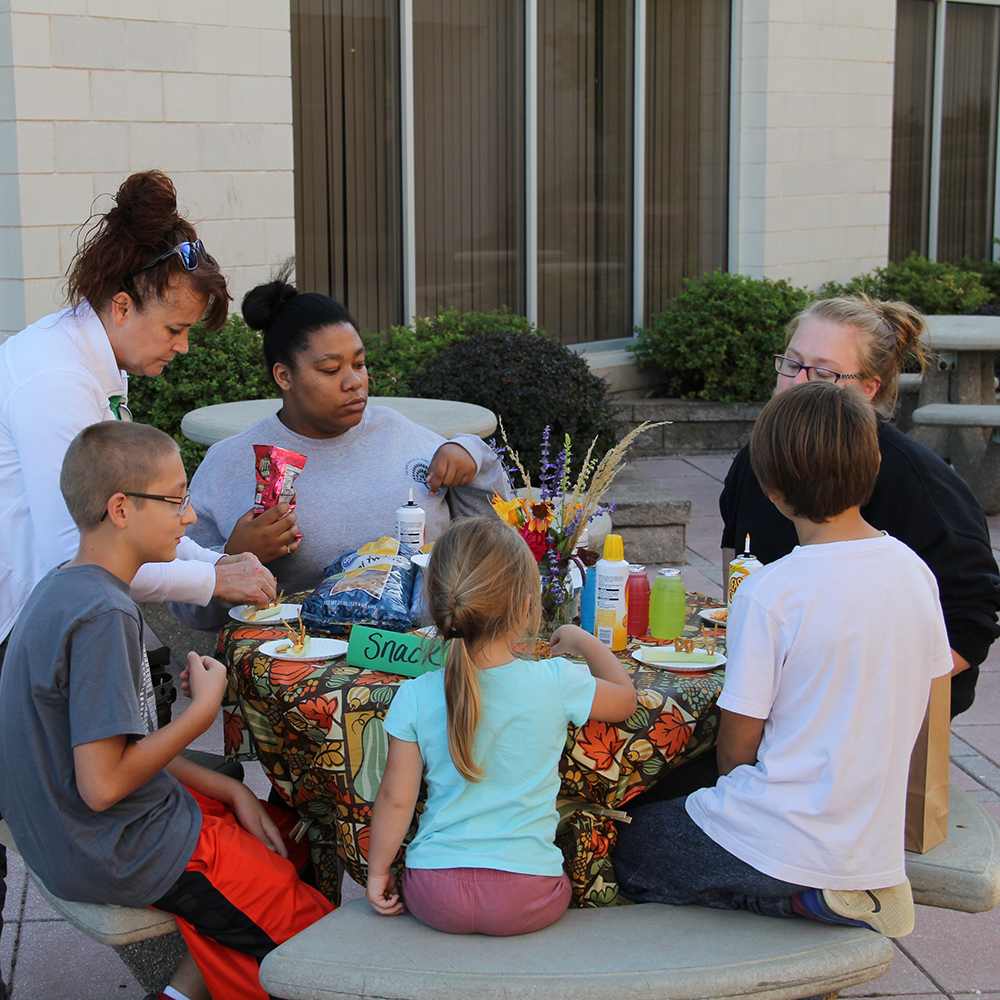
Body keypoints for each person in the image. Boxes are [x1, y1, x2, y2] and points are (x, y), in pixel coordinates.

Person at [0, 421, 333, 1000]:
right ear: (121, 509)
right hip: (120, 845)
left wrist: (228, 792)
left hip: (75, 832)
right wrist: (199, 715)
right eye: (177, 500)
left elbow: (113, 748)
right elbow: (103, 785)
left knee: (291, 831)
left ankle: (178, 992)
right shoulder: (105, 615)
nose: (188, 518)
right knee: (320, 951)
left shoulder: (64, 586)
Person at [614, 381, 953, 937]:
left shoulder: (773, 590)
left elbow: (737, 746)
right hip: (870, 840)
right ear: (873, 469)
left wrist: (730, 813)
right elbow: (926, 693)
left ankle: (800, 902)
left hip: (781, 840)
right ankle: (826, 889)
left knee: (626, 845)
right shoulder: (914, 571)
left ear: (771, 490)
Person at [0, 169, 276, 647]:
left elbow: (130, 523)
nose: (184, 347)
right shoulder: (56, 381)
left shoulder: (86, 356)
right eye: (175, 329)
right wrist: (213, 580)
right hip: (23, 629)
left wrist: (219, 563)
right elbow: (82, 554)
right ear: (123, 307)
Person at [175, 272, 511, 627]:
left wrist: (474, 458)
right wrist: (236, 559)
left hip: (420, 658)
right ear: (283, 376)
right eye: (331, 369)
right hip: (301, 665)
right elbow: (187, 612)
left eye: (360, 364)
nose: (354, 382)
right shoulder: (232, 462)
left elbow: (493, 539)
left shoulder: (401, 434)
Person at [720, 296, 1000, 717]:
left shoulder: (922, 485)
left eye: (824, 372)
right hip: (770, 693)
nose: (797, 383)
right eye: (792, 365)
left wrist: (845, 700)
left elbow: (970, 622)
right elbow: (736, 550)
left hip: (879, 716)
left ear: (869, 389)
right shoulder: (760, 459)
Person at [364, 516, 636, 935]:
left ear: (437, 607)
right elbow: (625, 698)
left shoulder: (415, 694)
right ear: (526, 607)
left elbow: (395, 800)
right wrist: (584, 640)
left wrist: (378, 872)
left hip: (434, 894)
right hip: (529, 895)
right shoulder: (558, 680)